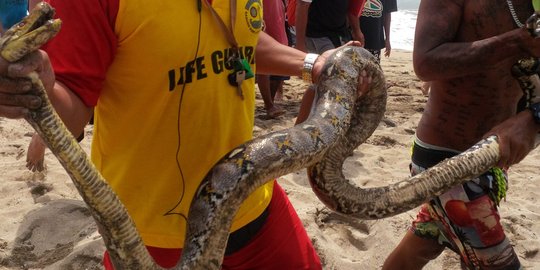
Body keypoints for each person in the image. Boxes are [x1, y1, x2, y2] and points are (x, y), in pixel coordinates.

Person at [0, 0, 369, 268]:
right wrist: (38, 92)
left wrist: (314, 64)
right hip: (154, 234)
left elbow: (241, 42)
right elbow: (73, 109)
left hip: (256, 202)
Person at [383, 0, 540, 269]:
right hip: (446, 160)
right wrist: (518, 41)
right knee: (498, 263)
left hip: (494, 159)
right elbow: (426, 61)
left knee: (428, 239)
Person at [292, 0, 364, 54]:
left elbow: (352, 7)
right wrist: (300, 44)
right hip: (317, 35)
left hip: (339, 34)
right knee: (334, 70)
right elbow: (302, 5)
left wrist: (357, 31)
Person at [257, 0, 287, 118]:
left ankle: (271, 102)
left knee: (277, 65)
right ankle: (269, 105)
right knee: (265, 66)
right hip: (265, 19)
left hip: (277, 19)